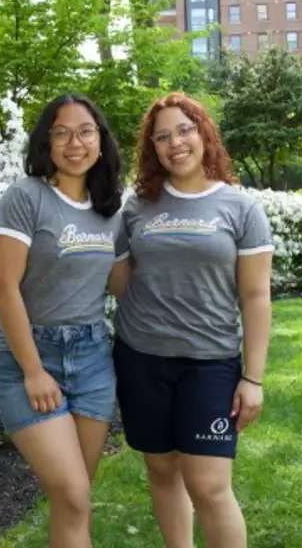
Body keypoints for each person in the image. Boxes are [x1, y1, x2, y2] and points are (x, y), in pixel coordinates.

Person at [112, 93, 273, 548]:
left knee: (209, 485)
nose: (175, 142)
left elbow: (256, 296)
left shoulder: (240, 208)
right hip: (141, 359)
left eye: (184, 130)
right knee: (162, 471)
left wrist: (253, 378)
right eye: (162, 136)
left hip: (210, 363)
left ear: (204, 134)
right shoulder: (136, 208)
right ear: (153, 149)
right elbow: (120, 282)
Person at [0, 94, 123, 548]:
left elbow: (123, 284)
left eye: (86, 131)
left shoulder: (110, 211)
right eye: (61, 132)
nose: (74, 142)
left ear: (100, 142)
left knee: (74, 497)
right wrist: (32, 370)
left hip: (92, 360)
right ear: (46, 142)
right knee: (73, 492)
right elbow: (5, 288)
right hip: (31, 356)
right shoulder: (25, 198)